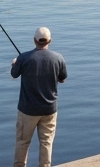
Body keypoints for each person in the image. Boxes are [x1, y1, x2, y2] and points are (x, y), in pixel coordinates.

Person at [11, 26, 67, 167]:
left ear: (34, 40)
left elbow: (14, 74)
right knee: (46, 142)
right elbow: (62, 78)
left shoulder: (23, 58)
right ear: (50, 40)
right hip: (49, 109)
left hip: (27, 110)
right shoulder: (58, 58)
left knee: (23, 142)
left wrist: (14, 64)